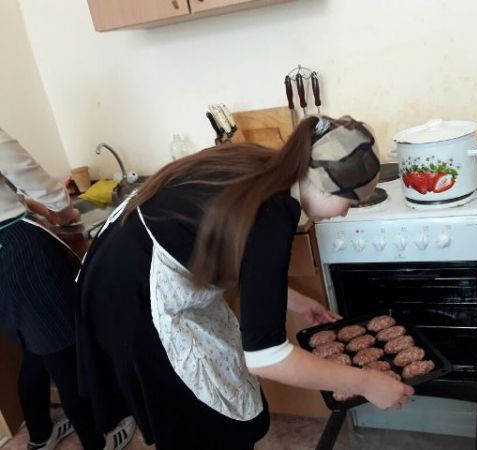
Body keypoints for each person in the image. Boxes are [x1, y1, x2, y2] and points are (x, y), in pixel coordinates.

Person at [76, 115, 415, 450]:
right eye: (349, 203)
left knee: (233, 414)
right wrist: (365, 382)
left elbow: (232, 252)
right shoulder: (273, 211)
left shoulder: (268, 167)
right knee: (202, 424)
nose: (343, 214)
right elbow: (266, 357)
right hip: (132, 297)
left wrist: (291, 299)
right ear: (323, 183)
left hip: (130, 267)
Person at [0, 128, 135, 450]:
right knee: (64, 350)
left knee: (34, 348)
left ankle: (40, 434)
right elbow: (21, 168)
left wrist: (38, 207)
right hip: (15, 246)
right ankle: (98, 438)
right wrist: (60, 206)